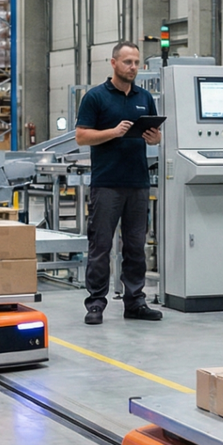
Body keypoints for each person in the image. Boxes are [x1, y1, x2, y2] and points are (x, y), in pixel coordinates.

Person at [74, 41, 163, 325]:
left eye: (136, 62)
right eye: (127, 62)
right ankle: (96, 304)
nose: (133, 67)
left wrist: (155, 139)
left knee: (136, 246)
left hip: (138, 182)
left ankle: (135, 302)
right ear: (114, 63)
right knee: (100, 246)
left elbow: (155, 135)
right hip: (107, 183)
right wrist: (112, 132)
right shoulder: (96, 97)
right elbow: (81, 136)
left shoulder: (144, 97)